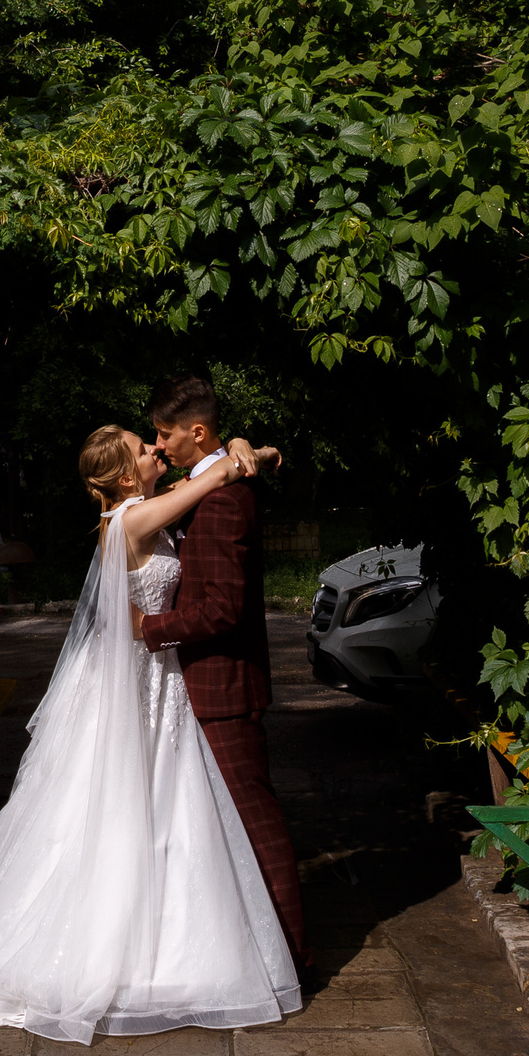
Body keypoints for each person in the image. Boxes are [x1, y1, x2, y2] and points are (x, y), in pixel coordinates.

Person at [0, 424, 301, 1042]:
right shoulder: (129, 521)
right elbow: (215, 474)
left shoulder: (143, 511)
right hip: (133, 684)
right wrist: (239, 454)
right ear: (125, 476)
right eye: (144, 449)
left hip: (158, 680)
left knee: (169, 806)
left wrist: (250, 449)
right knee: (122, 809)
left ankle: (172, 943)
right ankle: (115, 951)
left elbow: (218, 469)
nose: (156, 450)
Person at [138, 372, 307, 974]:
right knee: (220, 826)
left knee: (255, 822)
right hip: (196, 685)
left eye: (165, 435)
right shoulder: (209, 482)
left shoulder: (224, 499)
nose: (159, 446)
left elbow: (221, 610)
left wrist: (149, 628)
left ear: (197, 431)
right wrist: (246, 447)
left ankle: (294, 955)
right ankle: (248, 950)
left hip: (223, 685)